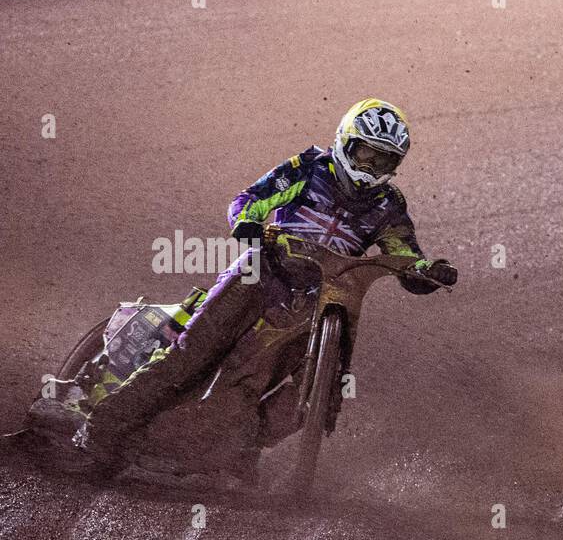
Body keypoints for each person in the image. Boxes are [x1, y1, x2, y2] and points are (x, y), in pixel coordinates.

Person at [73, 99, 456, 465]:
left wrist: (428, 271)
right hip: (262, 270)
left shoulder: (389, 205)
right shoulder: (309, 167)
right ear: (344, 141)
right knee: (191, 353)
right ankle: (100, 433)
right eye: (365, 153)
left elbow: (405, 255)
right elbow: (250, 199)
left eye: (384, 159)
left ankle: (228, 449)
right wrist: (248, 224)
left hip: (318, 301)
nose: (372, 166)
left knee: (311, 394)